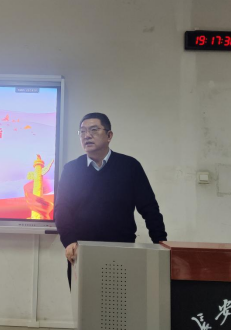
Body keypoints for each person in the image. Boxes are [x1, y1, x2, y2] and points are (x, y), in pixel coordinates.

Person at [54, 113, 167, 287]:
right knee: (84, 301)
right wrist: (69, 241)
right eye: (82, 131)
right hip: (81, 250)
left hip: (121, 249)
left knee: (121, 300)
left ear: (109, 135)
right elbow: (62, 208)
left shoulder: (129, 166)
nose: (87, 135)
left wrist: (161, 243)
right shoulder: (71, 169)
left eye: (93, 130)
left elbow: (149, 207)